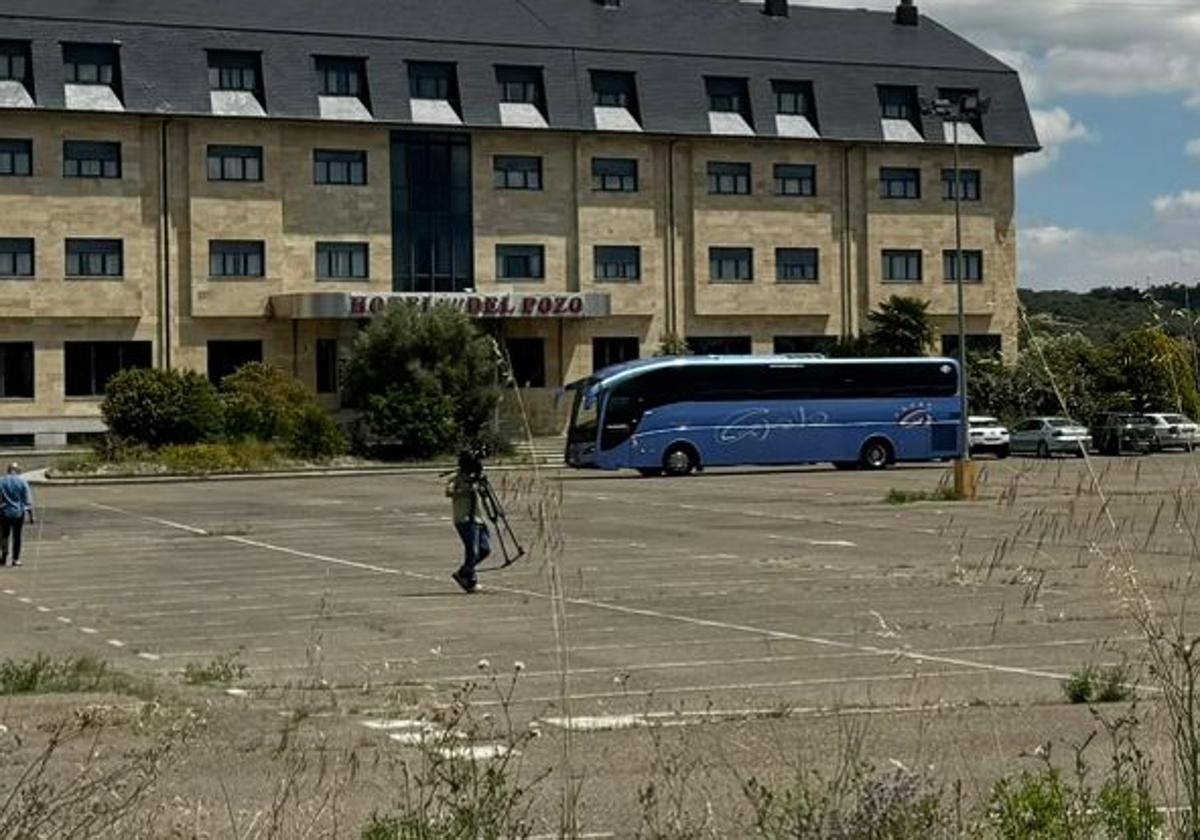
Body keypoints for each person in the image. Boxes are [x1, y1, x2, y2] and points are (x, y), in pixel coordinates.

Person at [446, 451, 490, 593]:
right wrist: (466, 489)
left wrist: (480, 485)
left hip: (478, 517)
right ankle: (470, 580)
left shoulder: (476, 478)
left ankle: (463, 572)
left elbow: (484, 493)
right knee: (472, 550)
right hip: (464, 518)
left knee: (485, 549)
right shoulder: (456, 478)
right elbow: (449, 492)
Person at [0, 463, 34, 567]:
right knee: (17, 536)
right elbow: (27, 500)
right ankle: (16, 559)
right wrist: (31, 516)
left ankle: (4, 555)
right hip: (19, 512)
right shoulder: (22, 481)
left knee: (4, 535)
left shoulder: (1, 481)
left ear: (8, 470)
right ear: (17, 470)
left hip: (4, 512)